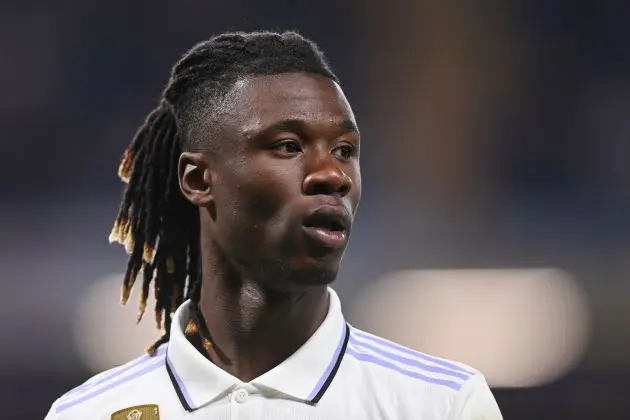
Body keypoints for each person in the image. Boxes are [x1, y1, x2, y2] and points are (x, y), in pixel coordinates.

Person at [45, 30, 502, 420]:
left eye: (345, 150)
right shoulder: (88, 414)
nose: (333, 175)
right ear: (199, 180)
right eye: (287, 145)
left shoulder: (442, 406)